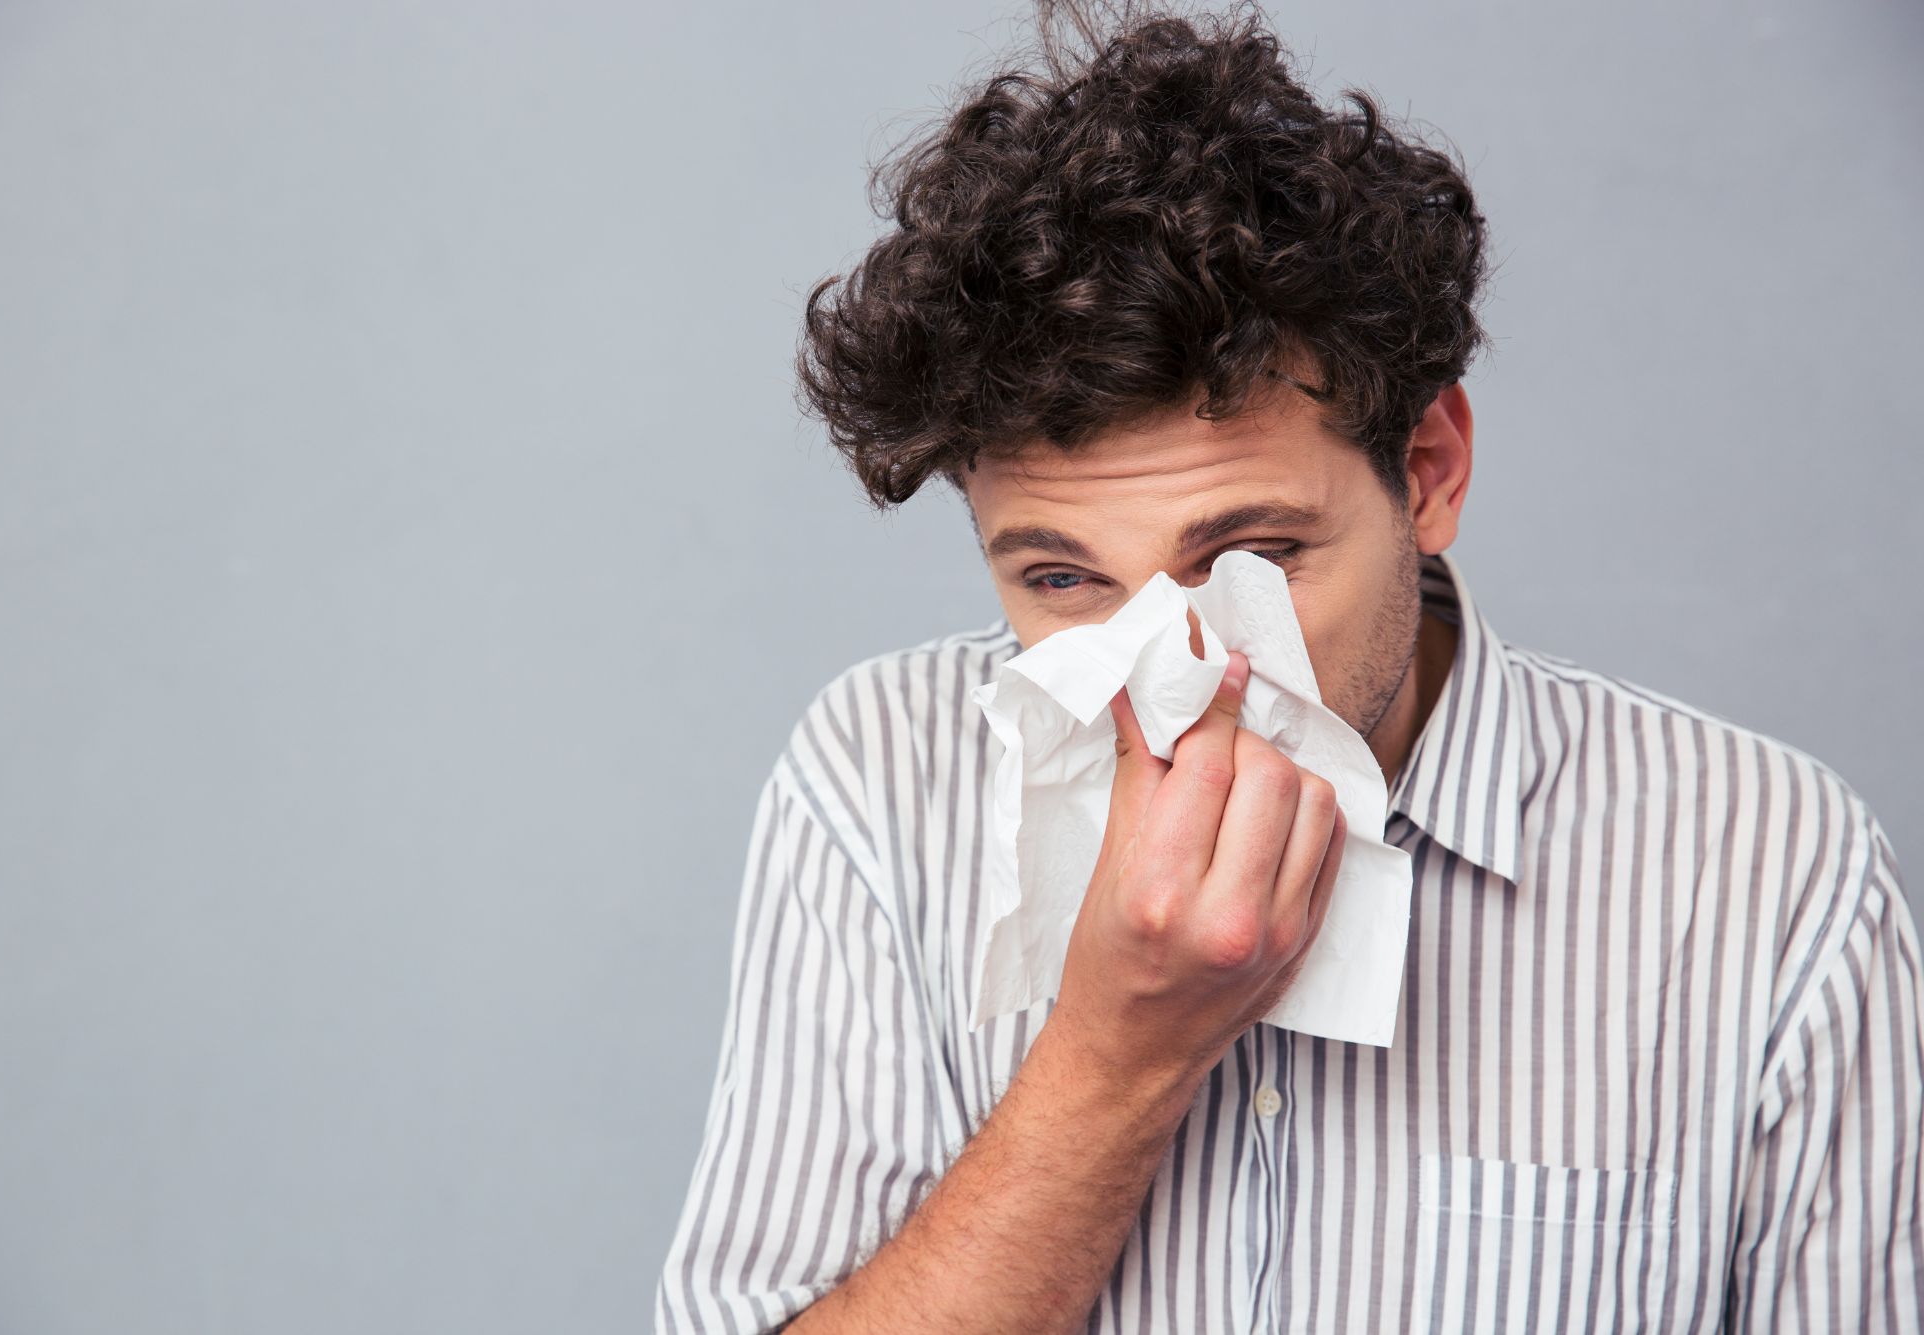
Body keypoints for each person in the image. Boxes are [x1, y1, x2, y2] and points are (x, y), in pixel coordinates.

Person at [652, 2, 1924, 1331]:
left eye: (1248, 558)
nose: (1175, 681)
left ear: (1427, 476)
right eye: (1064, 581)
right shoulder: (877, 778)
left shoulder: (1773, 874)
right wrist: (1110, 1060)